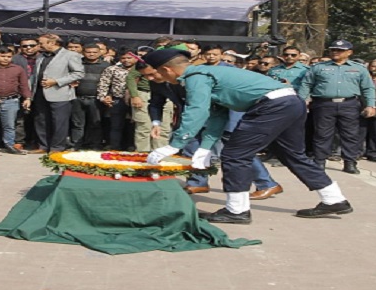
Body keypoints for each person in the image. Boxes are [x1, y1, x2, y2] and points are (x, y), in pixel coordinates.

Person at [143, 49, 353, 224]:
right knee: (292, 154)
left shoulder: (194, 77)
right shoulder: (207, 73)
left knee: (235, 155)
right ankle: (334, 199)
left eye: (157, 75)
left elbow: (196, 110)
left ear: (167, 69)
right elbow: (218, 114)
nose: (161, 80)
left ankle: (236, 211)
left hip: (272, 106)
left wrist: (175, 145)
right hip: (290, 102)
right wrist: (205, 147)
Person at [298, 40, 376, 174]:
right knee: (322, 134)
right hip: (324, 104)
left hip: (349, 104)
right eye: (333, 49)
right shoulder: (318, 67)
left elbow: (368, 88)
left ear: (349, 52)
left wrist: (371, 105)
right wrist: (302, 101)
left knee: (350, 135)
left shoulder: (359, 68)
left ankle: (350, 162)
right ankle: (319, 161)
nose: (335, 52)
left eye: (339, 50)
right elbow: (306, 84)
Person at [31, 34, 84, 153]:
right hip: (40, 92)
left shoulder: (70, 55)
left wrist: (56, 81)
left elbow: (78, 73)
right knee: (41, 120)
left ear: (52, 43)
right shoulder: (41, 56)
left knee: (59, 121)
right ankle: (43, 146)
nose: (38, 46)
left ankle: (57, 147)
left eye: (41, 43)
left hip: (60, 93)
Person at [70, 44, 110, 150]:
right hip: (77, 98)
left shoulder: (106, 66)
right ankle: (76, 145)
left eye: (94, 52)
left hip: (96, 99)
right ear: (83, 53)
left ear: (100, 53)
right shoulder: (76, 64)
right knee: (77, 124)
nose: (91, 54)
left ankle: (95, 146)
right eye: (88, 52)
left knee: (95, 123)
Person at [97, 50, 138, 150]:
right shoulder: (112, 69)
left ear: (136, 58)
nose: (126, 60)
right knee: (116, 125)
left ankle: (133, 146)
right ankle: (114, 147)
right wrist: (103, 97)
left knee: (136, 124)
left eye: (129, 58)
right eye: (123, 58)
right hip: (118, 99)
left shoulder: (141, 69)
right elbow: (104, 83)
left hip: (137, 100)